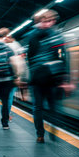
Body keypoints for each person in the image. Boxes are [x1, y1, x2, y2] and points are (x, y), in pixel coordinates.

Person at [27, 9, 67, 143]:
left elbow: (30, 57)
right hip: (50, 77)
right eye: (46, 21)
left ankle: (41, 134)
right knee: (51, 106)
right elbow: (63, 57)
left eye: (50, 21)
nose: (48, 24)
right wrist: (64, 78)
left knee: (39, 107)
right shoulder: (57, 36)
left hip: (41, 77)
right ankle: (44, 133)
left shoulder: (32, 36)